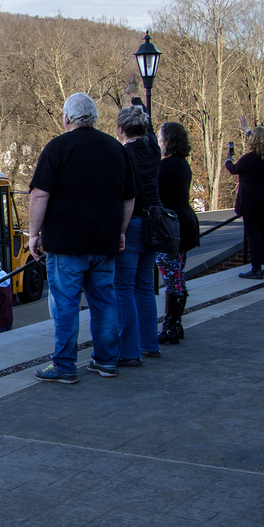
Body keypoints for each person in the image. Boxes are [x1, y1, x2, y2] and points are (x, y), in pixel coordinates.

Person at [29, 92, 136, 383]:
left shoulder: (57, 148)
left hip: (66, 243)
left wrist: (33, 234)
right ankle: (106, 361)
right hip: (105, 241)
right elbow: (129, 198)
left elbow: (40, 194)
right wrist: (121, 231)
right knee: (104, 302)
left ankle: (64, 366)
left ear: (66, 118)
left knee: (65, 305)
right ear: (95, 118)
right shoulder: (116, 148)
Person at [113, 104, 163, 366]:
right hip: (154, 221)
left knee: (123, 289)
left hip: (132, 222)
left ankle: (129, 351)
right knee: (144, 286)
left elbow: (123, 194)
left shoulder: (123, 154)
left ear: (120, 129)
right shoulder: (153, 149)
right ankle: (149, 343)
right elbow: (152, 132)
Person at [155, 122, 201, 344]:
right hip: (185, 222)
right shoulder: (183, 164)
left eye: (161, 137)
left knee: (172, 277)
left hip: (171, 228)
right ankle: (175, 323)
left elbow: (157, 195)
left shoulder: (166, 166)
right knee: (178, 276)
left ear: (167, 140)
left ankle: (171, 325)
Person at [225, 127, 264, 279]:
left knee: (253, 235)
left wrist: (228, 160)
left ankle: (256, 267)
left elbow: (234, 169)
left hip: (250, 201)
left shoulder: (249, 159)